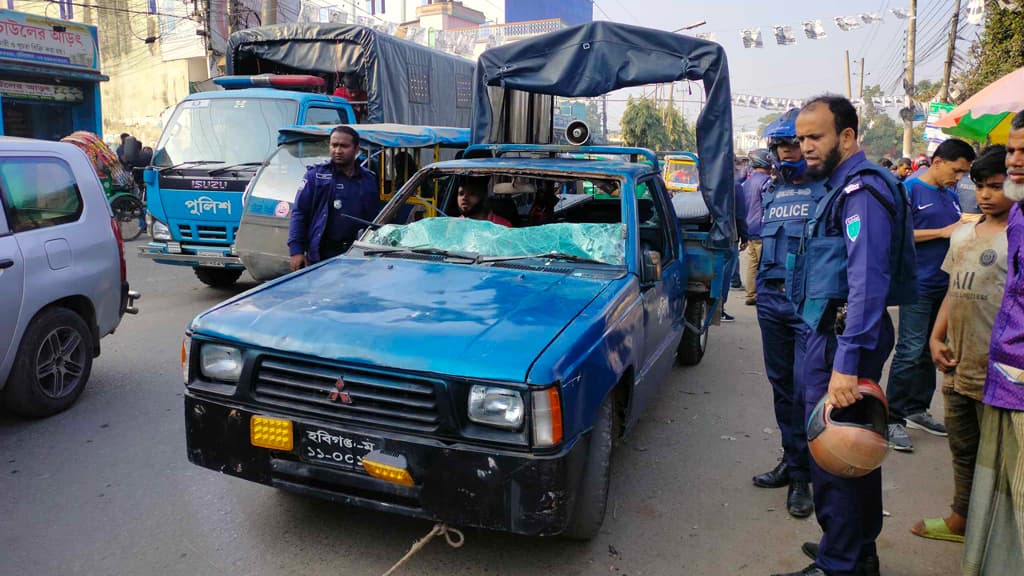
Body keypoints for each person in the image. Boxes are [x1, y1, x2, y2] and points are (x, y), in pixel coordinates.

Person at [774, 95, 916, 576]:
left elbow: (867, 282)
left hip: (845, 337)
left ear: (848, 137)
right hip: (837, 333)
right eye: (801, 138)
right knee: (853, 446)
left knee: (834, 449)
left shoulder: (860, 192)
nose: (806, 147)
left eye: (816, 137)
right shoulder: (844, 188)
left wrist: (846, 364)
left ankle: (841, 563)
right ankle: (854, 548)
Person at [908, 146, 1011, 545]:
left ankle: (1000, 531)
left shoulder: (1016, 237)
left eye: (996, 187)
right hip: (957, 361)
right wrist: (936, 337)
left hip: (1000, 367)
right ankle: (961, 518)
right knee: (963, 447)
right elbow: (954, 289)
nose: (985, 194)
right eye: (979, 186)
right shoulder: (965, 232)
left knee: (1001, 455)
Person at [751, 108, 823, 518]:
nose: (789, 151)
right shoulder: (771, 191)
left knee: (807, 390)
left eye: (795, 143)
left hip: (809, 305)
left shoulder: (829, 190)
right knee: (782, 388)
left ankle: (806, 476)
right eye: (782, 145)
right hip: (772, 302)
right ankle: (791, 460)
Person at [961, 110, 1024, 575]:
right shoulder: (1018, 214)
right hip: (1004, 375)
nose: (1016, 163)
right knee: (1002, 493)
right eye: (1014, 150)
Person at [886, 139, 975, 452]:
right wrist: (942, 232)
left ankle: (916, 408)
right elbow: (895, 235)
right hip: (917, 285)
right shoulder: (907, 190)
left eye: (964, 173)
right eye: (956, 170)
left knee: (929, 350)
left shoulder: (950, 197)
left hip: (945, 285)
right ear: (937, 161)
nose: (959, 177)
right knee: (910, 350)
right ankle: (891, 417)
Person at [288, 126, 379, 271]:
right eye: (334, 145)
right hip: (323, 255)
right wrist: (296, 251)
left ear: (356, 150)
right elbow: (299, 213)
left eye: (344, 146)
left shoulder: (368, 179)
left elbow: (375, 218)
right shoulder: (316, 176)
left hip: (358, 255)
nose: (337, 151)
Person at [742, 148, 772, 306]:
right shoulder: (766, 181)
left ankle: (750, 294)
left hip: (749, 229)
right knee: (764, 264)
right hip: (762, 230)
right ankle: (763, 295)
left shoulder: (747, 182)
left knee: (752, 263)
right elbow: (769, 205)